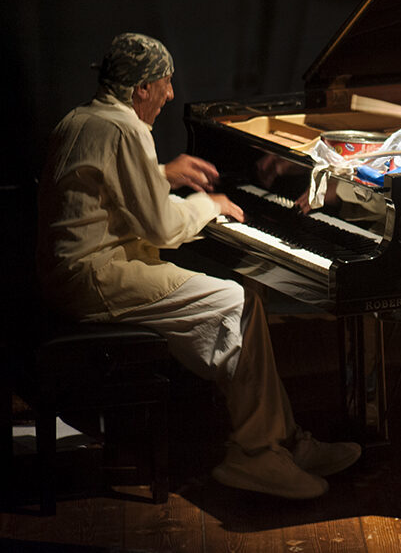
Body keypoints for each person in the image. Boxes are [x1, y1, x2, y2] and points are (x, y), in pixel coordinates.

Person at [36, 32, 360, 500]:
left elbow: (108, 190)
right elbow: (162, 228)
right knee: (236, 300)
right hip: (95, 277)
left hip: (73, 273)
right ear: (141, 88)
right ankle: (254, 455)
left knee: (245, 298)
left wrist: (162, 174)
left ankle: (282, 441)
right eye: (165, 84)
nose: (170, 95)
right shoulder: (125, 128)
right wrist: (209, 203)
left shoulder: (84, 118)